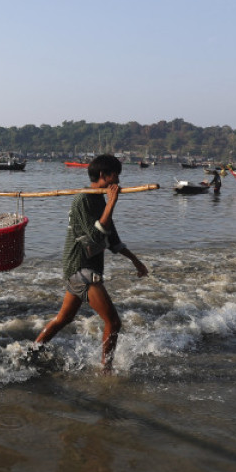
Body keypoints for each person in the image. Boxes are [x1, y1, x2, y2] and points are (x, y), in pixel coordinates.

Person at [34, 154, 148, 371]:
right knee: (113, 322)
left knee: (64, 318)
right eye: (115, 175)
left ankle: (32, 351)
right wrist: (112, 202)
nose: (118, 181)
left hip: (86, 267)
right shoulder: (83, 200)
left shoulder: (99, 200)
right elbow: (95, 236)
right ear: (103, 175)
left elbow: (112, 239)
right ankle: (106, 370)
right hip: (80, 268)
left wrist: (136, 261)